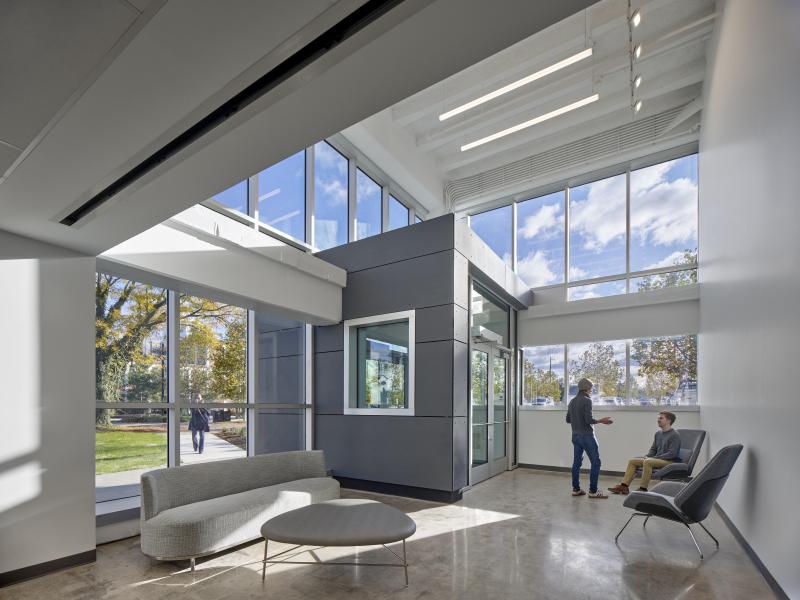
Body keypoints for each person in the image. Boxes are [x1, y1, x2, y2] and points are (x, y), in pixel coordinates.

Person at [608, 411, 681, 494]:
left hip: (669, 461)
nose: (658, 420)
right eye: (658, 418)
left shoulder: (675, 435)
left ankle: (643, 488)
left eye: (661, 418)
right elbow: (653, 449)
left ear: (668, 421)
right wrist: (647, 456)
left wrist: (653, 458)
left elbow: (672, 454)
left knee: (648, 461)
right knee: (633, 461)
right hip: (657, 459)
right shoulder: (658, 434)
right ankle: (624, 486)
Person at [566, 378, 613, 498]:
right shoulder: (587, 401)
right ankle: (593, 491)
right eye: (591, 388)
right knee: (596, 463)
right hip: (587, 436)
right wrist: (601, 421)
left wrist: (577, 419)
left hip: (575, 436)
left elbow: (568, 420)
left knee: (576, 463)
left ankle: (576, 489)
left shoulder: (572, 401)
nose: (591, 390)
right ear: (587, 388)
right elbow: (588, 420)